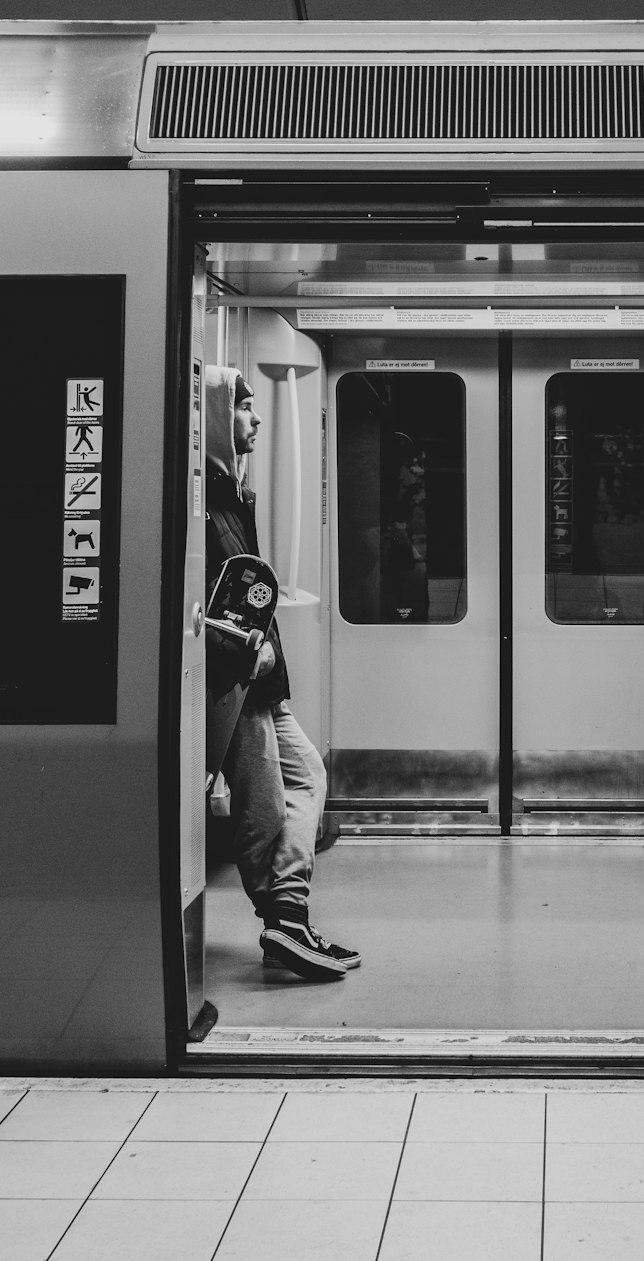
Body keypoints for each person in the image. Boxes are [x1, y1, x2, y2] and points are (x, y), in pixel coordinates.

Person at [204, 365, 359, 980]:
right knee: (263, 809)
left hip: (263, 680)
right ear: (216, 418)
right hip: (235, 685)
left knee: (308, 777)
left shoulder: (233, 496)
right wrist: (244, 648)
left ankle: (287, 917)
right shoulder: (204, 504)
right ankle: (285, 923)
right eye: (242, 407)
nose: (256, 416)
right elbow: (203, 607)